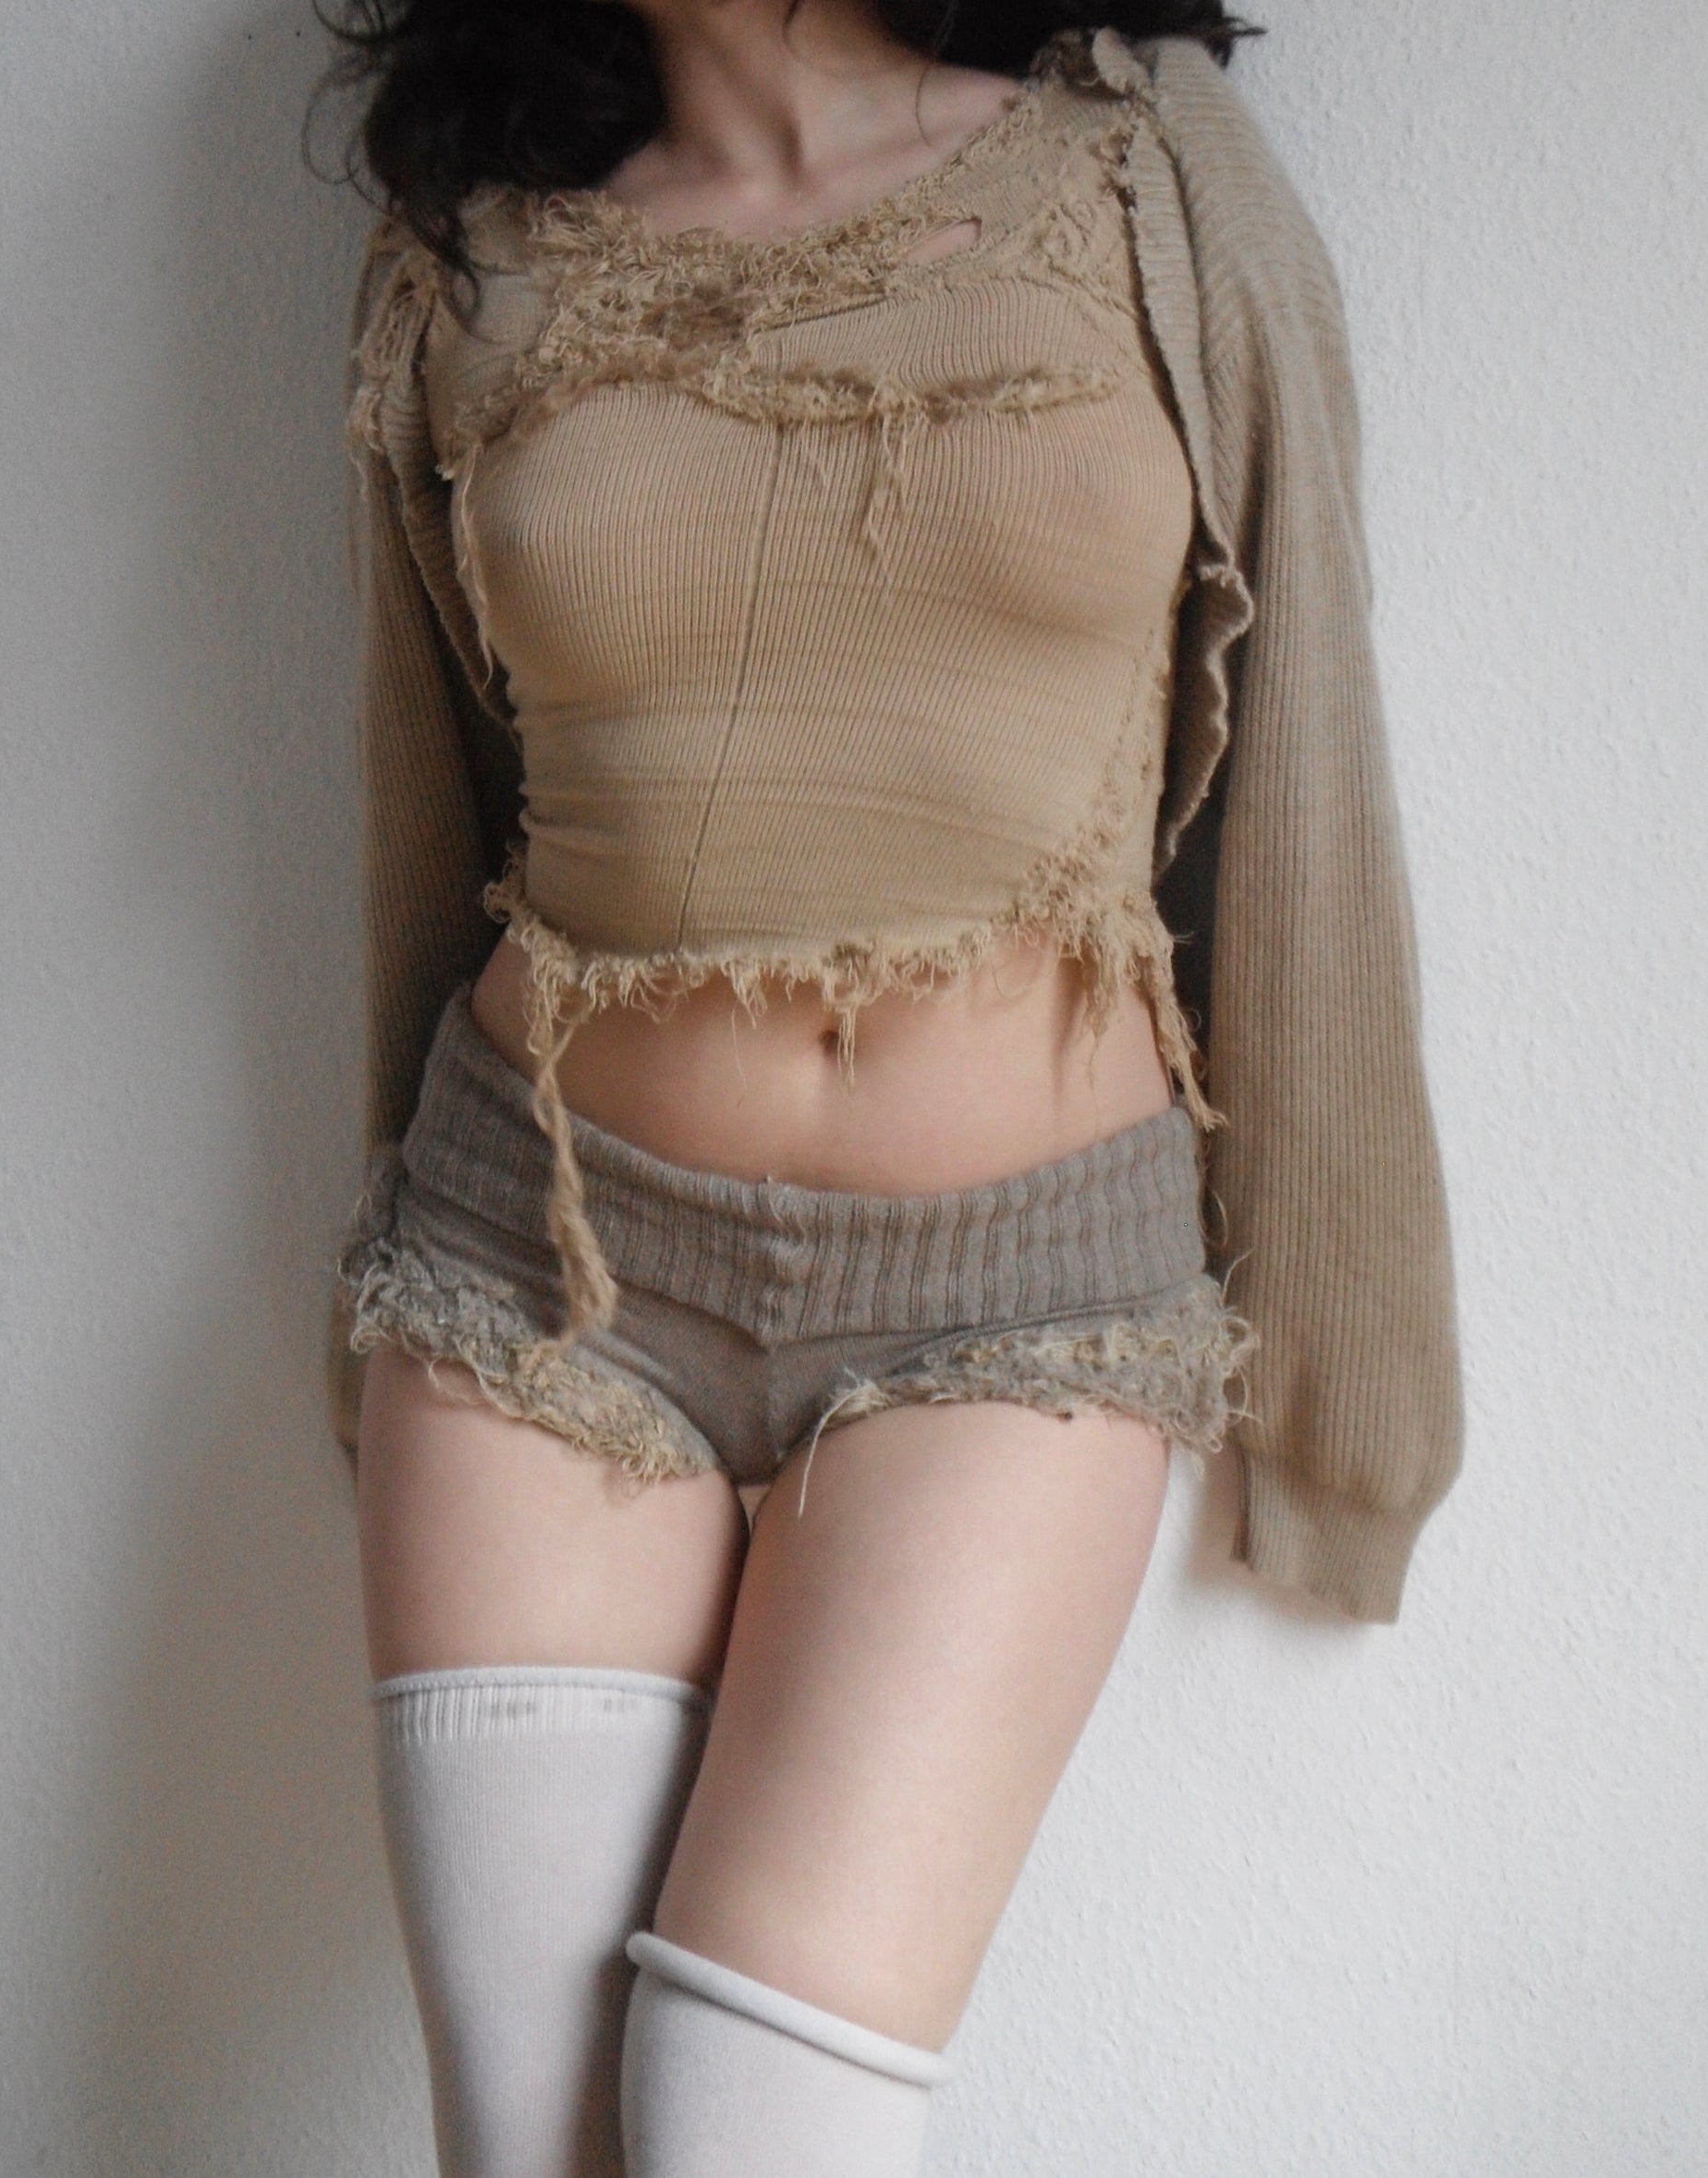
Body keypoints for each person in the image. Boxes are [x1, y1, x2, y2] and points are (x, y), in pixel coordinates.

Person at [317, 1, 1463, 2170]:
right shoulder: (471, 252)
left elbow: (1306, 746)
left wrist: (1350, 1370)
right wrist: (364, 1254)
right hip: (535, 1272)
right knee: (527, 2138)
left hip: (1015, 1301)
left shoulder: (1144, 175)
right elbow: (422, 796)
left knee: (747, 2117)